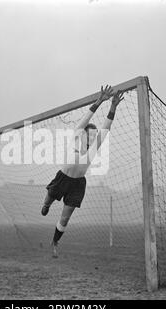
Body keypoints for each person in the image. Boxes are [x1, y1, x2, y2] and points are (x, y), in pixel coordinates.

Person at [41, 85, 124, 257]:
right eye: (90, 134)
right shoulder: (74, 139)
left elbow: (106, 127)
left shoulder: (94, 149)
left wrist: (113, 107)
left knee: (65, 218)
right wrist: (100, 101)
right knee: (48, 201)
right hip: (62, 178)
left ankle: (55, 242)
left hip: (78, 184)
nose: (93, 137)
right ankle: (46, 204)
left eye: (95, 136)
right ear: (83, 134)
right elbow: (86, 118)